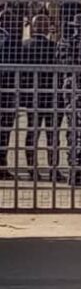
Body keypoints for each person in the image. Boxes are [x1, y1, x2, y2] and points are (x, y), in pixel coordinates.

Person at [20, 15, 63, 181]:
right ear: (48, 28)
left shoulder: (24, 46)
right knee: (53, 135)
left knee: (32, 132)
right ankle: (53, 170)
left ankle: (32, 169)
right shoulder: (54, 46)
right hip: (52, 96)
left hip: (33, 96)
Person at [56, 13, 81, 185]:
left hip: (69, 87)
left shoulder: (65, 42)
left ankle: (74, 167)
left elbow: (60, 61)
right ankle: (79, 170)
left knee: (73, 129)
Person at [0, 13, 16, 180]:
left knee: (5, 131)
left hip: (7, 90)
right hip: (6, 89)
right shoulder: (8, 39)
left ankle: (2, 165)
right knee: (4, 131)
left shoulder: (8, 38)